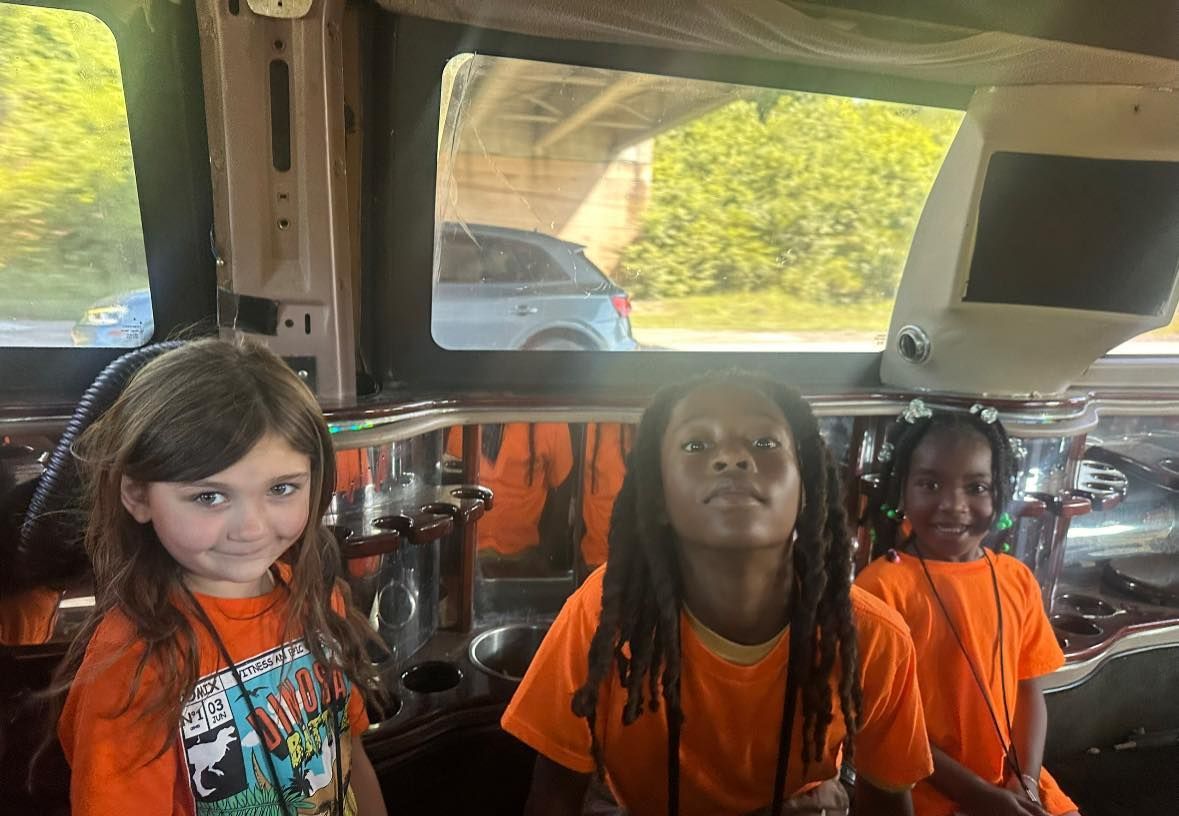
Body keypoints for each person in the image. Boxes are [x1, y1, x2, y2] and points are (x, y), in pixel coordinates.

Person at [502, 371, 933, 816]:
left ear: (806, 490)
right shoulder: (603, 612)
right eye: (696, 445)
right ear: (660, 496)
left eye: (765, 443)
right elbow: (553, 799)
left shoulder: (874, 637)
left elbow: (888, 803)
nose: (732, 457)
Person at [45, 339, 388, 815]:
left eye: (282, 488)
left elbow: (351, 754)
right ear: (139, 496)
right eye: (209, 497)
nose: (251, 528)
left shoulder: (316, 599)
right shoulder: (132, 666)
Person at [856, 400, 1080, 816]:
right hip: (922, 789)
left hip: (1014, 782)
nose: (953, 505)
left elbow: (1028, 690)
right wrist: (977, 796)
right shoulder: (880, 590)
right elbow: (885, 725)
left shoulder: (1015, 578)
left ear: (1001, 491)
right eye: (930, 484)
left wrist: (1025, 781)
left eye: (976, 488)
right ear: (901, 488)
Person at [445, 422, 573, 566]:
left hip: (522, 559)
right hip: (464, 555)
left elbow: (562, 497)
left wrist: (549, 564)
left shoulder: (550, 419)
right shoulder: (467, 413)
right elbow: (450, 478)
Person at [579, 423, 632, 569]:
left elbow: (562, 476)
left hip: (593, 558)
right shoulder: (636, 432)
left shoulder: (585, 429)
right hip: (627, 558)